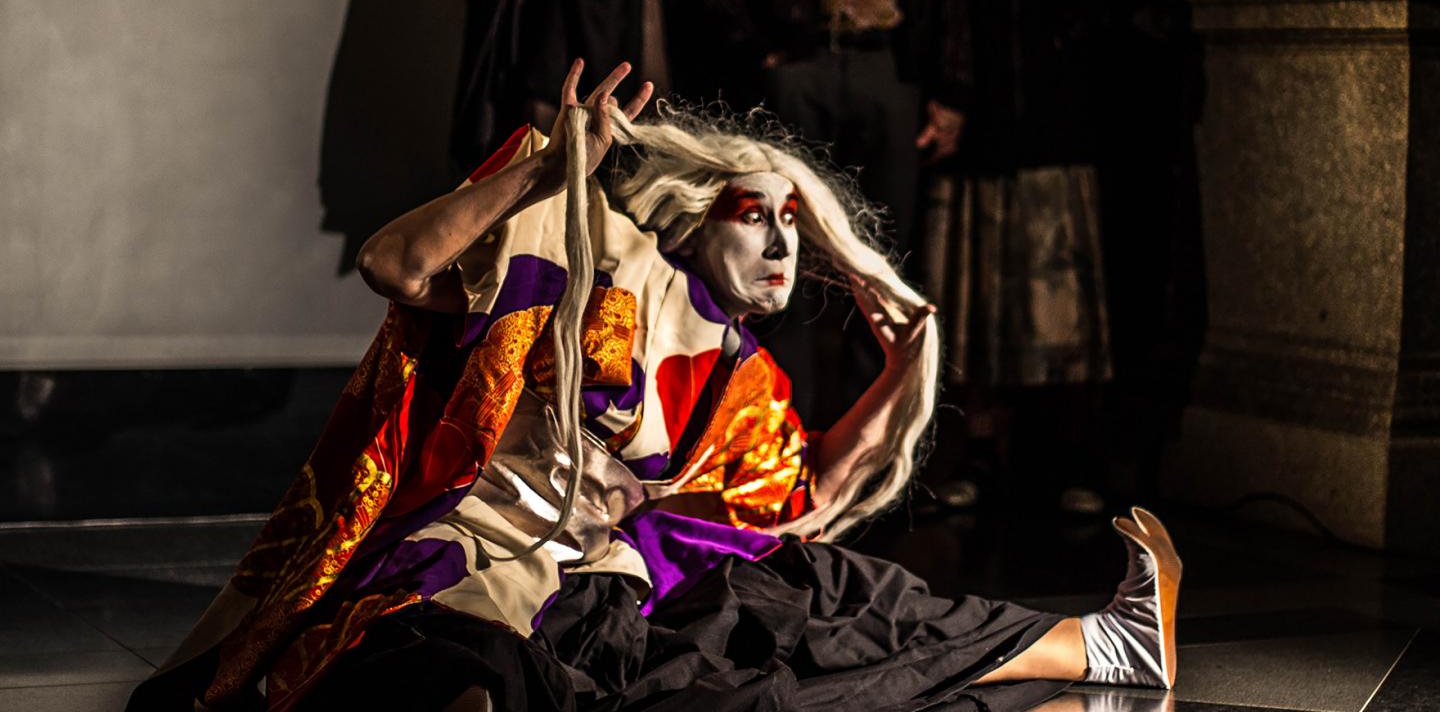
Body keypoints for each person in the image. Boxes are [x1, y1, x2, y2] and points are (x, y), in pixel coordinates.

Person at [128, 60, 1181, 712]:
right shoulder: (588, 248)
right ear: (690, 214)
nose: (780, 241)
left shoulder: (745, 378)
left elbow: (801, 505)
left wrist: (906, 366)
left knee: (821, 596)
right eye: (755, 213)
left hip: (606, 585)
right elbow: (394, 268)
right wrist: (543, 175)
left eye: (793, 225)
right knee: (481, 674)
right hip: (475, 561)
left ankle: (1109, 644)